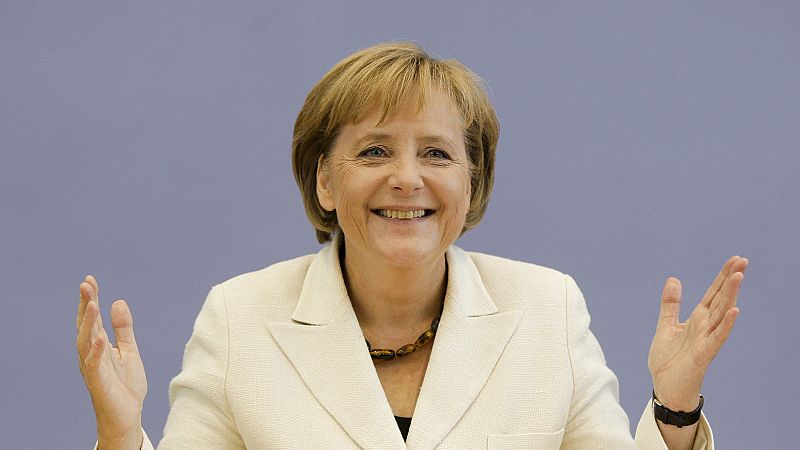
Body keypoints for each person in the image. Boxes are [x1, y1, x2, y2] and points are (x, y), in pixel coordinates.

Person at [75, 42, 748, 449]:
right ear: (325, 180)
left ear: (470, 181)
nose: (407, 178)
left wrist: (675, 408)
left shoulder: (549, 307)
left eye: (436, 153)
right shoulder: (240, 317)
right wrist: (119, 434)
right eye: (374, 151)